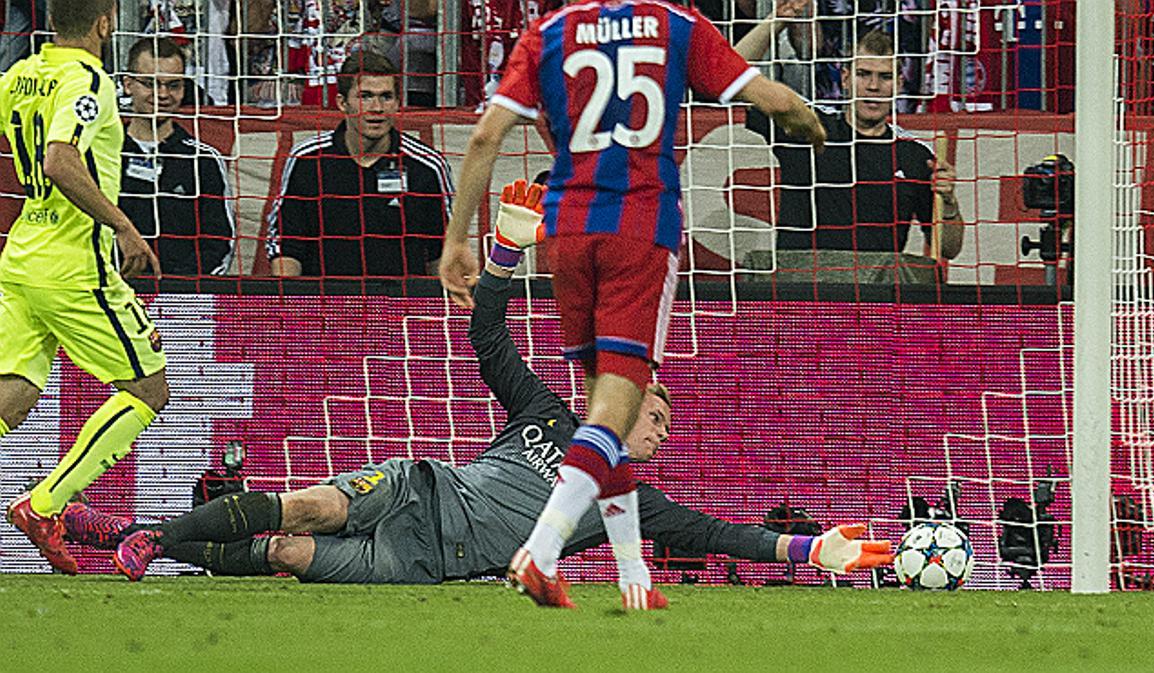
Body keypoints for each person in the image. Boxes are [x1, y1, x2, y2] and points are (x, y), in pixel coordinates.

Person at [82, 205, 889, 585]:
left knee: (289, 554)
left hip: (427, 559)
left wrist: (809, 549)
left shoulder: (627, 498)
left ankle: (130, 531)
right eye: (658, 413)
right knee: (307, 508)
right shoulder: (546, 414)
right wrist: (504, 252)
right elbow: (488, 337)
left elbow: (723, 534)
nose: (662, 432)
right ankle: (150, 538)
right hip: (416, 487)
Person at [439, 0, 826, 610]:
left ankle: (632, 577)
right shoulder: (674, 24)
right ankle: (538, 556)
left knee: (606, 414)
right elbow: (767, 97)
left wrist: (457, 238)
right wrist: (808, 121)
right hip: (639, 231)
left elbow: (487, 134)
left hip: (565, 233)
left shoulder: (547, 31)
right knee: (616, 408)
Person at [0, 0, 168, 576]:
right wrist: (122, 224)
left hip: (21, 253)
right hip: (74, 265)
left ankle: (42, 505)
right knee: (148, 389)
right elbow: (59, 160)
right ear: (104, 22)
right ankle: (43, 507)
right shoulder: (86, 79)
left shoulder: (21, 74)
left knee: (14, 395)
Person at [737, 6, 965, 284]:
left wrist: (950, 203)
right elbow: (732, 77)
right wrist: (779, 19)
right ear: (845, 78)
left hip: (877, 307)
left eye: (884, 77)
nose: (873, 86)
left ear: (899, 83)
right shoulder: (807, 127)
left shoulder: (914, 155)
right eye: (863, 74)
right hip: (802, 296)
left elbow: (949, 248)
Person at [265, 49, 454, 278]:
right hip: (324, 305)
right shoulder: (306, 160)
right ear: (342, 103)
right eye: (365, 96)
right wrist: (292, 307)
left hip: (401, 307)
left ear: (397, 104)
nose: (377, 108)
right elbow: (286, 246)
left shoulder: (427, 167)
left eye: (386, 97)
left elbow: (443, 253)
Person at [119, 36, 236, 277]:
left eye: (173, 85)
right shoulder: (102, 154)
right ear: (128, 84)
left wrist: (179, 286)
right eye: (151, 83)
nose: (163, 94)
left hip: (184, 299)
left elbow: (220, 242)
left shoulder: (204, 160)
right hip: (110, 293)